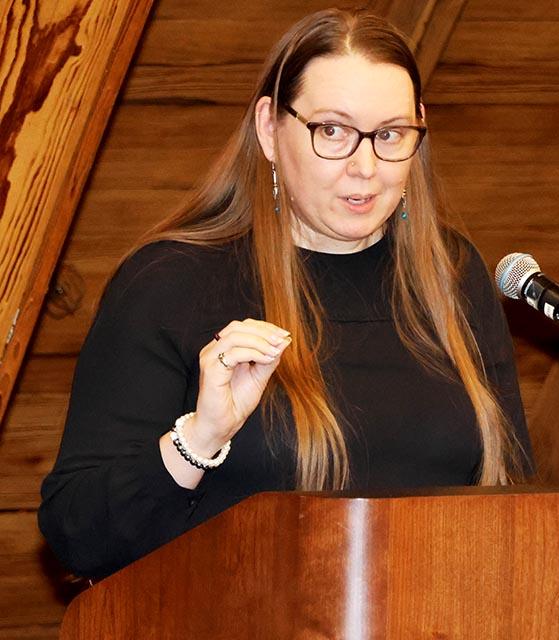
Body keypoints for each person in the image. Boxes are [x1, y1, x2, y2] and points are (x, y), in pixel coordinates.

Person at [38, 8, 533, 579]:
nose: (365, 167)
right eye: (333, 131)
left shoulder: (453, 275)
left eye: (391, 134)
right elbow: (77, 535)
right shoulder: (170, 283)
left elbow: (514, 499)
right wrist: (200, 439)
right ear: (270, 128)